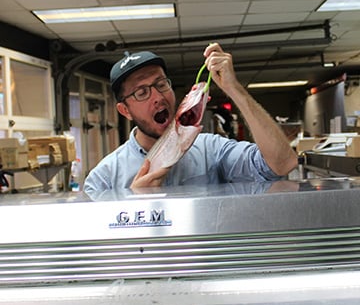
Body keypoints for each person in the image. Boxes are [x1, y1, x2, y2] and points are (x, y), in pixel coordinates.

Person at [83, 43, 298, 197]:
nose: (158, 97)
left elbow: (282, 164)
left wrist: (234, 90)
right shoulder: (103, 179)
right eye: (141, 92)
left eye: (161, 84)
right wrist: (135, 203)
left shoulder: (211, 149)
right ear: (125, 110)